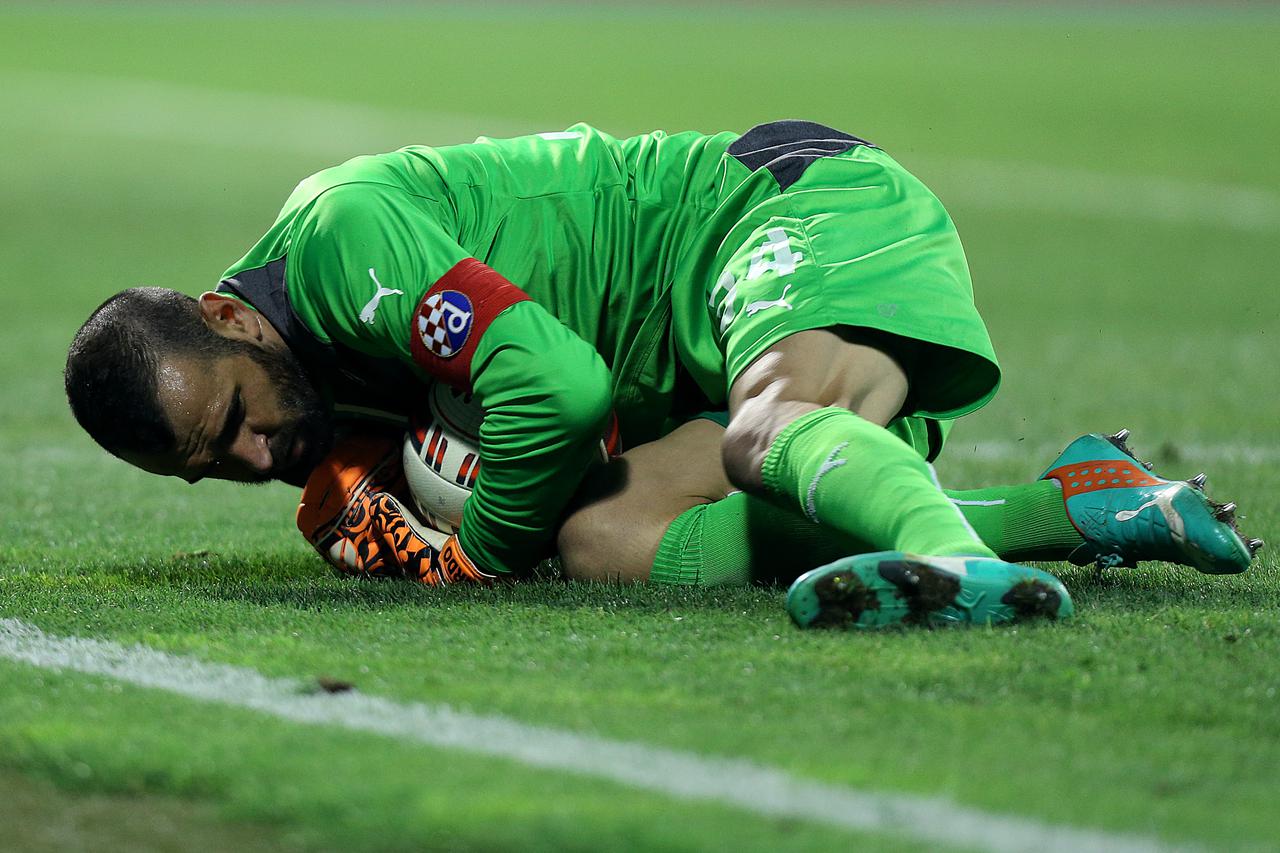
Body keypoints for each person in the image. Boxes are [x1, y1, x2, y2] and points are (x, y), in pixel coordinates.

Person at [64, 121, 1261, 628]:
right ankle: (1081, 500)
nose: (250, 455)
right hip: (688, 356)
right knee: (603, 544)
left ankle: (963, 569)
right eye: (206, 463)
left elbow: (560, 389)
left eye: (230, 414)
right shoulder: (307, 403)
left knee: (767, 429)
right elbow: (422, 480)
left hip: (768, 209)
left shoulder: (337, 241)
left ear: (232, 316)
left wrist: (477, 550)